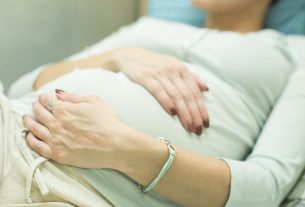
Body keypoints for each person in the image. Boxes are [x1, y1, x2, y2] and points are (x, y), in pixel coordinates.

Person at [2, 0, 305, 206]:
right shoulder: (145, 27)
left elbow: (266, 187)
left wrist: (121, 148)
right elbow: (22, 86)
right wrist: (116, 57)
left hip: (74, 190)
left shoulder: (294, 54)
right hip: (11, 126)